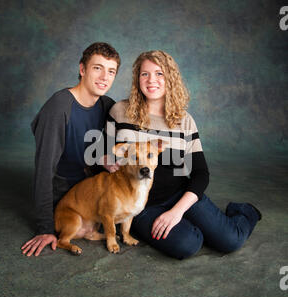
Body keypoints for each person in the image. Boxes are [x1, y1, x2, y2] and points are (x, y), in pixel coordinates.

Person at [105, 50, 261, 260]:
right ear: (137, 79)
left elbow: (200, 173)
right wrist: (105, 161)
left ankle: (243, 210)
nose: (152, 80)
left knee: (230, 241)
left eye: (159, 74)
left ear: (170, 78)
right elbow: (100, 154)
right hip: (140, 207)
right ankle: (188, 228)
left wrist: (177, 211)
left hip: (180, 196)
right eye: (145, 74)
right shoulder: (119, 111)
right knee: (187, 244)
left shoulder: (184, 121)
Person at [21, 42, 121, 256]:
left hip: (91, 190)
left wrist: (103, 158)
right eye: (97, 68)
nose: (104, 77)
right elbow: (44, 171)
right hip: (67, 197)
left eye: (110, 71)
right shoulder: (59, 107)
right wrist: (45, 229)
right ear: (82, 69)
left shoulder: (108, 106)